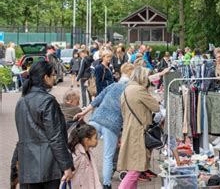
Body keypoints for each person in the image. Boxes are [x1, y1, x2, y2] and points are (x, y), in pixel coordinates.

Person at [12, 60, 73, 188]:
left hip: (27, 164)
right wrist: (66, 165)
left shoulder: (21, 101)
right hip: (48, 166)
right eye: (53, 74)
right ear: (45, 77)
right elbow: (56, 137)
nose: (54, 77)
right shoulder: (48, 101)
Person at [74, 63, 135, 189]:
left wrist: (83, 113)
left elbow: (97, 100)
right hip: (112, 125)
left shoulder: (112, 85)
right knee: (108, 156)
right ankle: (106, 184)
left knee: (80, 149)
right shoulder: (131, 90)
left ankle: (78, 176)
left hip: (97, 118)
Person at [117, 66, 160, 189]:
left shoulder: (127, 89)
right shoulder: (139, 90)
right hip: (138, 132)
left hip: (130, 129)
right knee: (136, 169)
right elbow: (156, 107)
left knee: (133, 167)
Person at [68, 124, 102, 188]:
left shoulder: (87, 153)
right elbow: (69, 173)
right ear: (87, 140)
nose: (97, 140)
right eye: (95, 138)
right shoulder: (78, 155)